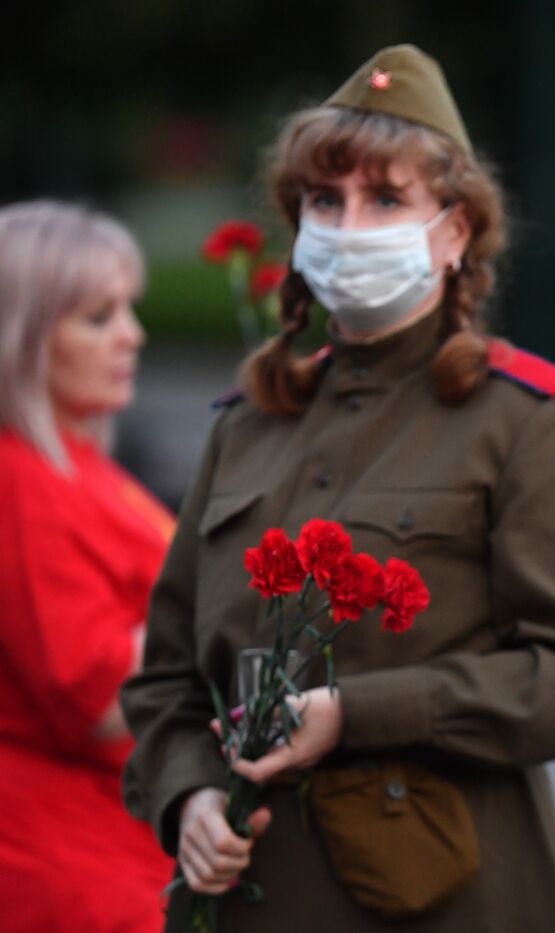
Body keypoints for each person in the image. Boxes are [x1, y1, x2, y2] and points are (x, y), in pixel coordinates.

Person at [119, 45, 555, 931]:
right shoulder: (247, 422)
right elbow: (167, 677)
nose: (349, 225)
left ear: (456, 232)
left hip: (438, 898)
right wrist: (189, 800)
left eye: (386, 199)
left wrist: (357, 712)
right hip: (247, 901)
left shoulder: (523, 419)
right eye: (326, 200)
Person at [0, 200, 175, 931]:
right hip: (72, 870)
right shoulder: (20, 481)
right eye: (99, 317)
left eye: (127, 309)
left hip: (118, 838)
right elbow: (96, 693)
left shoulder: (72, 462)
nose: (130, 334)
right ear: (25, 337)